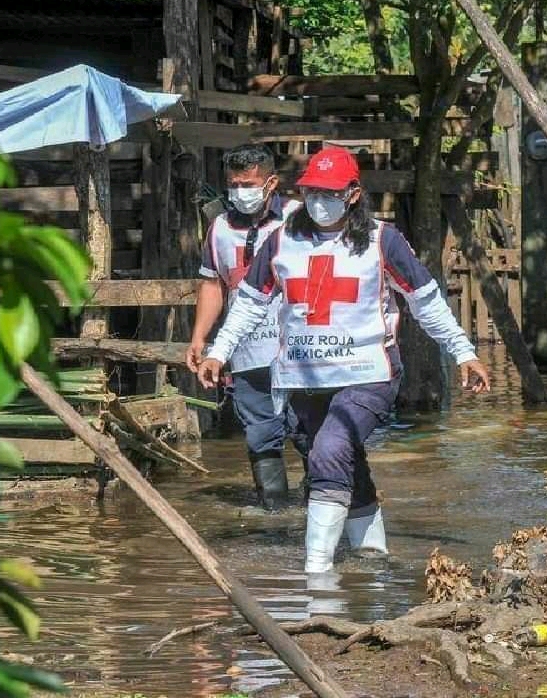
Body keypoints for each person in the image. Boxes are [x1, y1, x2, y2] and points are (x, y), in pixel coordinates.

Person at [197, 145, 491, 573]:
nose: (319, 201)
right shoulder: (282, 240)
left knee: (330, 449)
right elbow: (248, 302)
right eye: (312, 192)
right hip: (303, 377)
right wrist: (219, 351)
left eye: (330, 193)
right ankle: (373, 556)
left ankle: (317, 575)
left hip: (368, 372)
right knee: (340, 457)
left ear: (353, 194)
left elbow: (424, 299)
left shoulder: (381, 240)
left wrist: (463, 351)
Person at [188, 143, 309, 511]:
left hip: (301, 351)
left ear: (270, 182)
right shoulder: (220, 229)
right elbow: (213, 284)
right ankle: (274, 514)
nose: (240, 192)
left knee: (311, 431)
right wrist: (199, 337)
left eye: (248, 184)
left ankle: (323, 506)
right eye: (234, 185)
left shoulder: (299, 219)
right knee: (261, 434)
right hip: (248, 350)